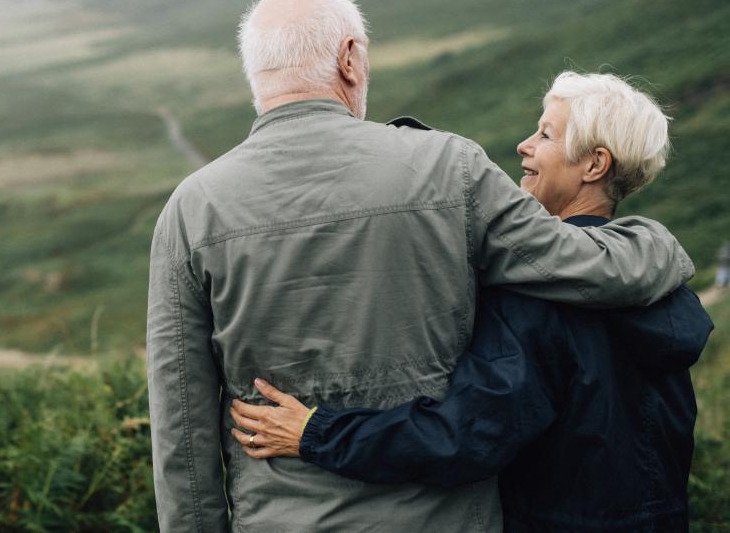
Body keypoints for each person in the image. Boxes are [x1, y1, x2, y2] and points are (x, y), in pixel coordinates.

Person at [146, 0, 695, 532]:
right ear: (350, 59)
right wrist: (659, 245)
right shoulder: (450, 169)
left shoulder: (190, 210)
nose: (528, 145)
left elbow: (181, 431)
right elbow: (584, 266)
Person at [230, 72, 714, 531]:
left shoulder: (539, 297)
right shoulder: (660, 285)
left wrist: (315, 432)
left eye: (546, 135)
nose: (525, 145)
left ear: (594, 165)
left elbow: (463, 439)